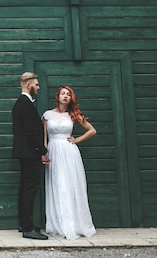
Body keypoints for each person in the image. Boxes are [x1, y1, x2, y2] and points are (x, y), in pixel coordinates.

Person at [42, 85, 96, 240]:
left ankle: (75, 224)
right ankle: (59, 224)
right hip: (53, 151)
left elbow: (92, 130)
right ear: (57, 96)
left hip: (69, 151)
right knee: (58, 186)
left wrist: (76, 140)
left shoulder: (73, 115)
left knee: (71, 186)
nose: (65, 96)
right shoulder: (47, 115)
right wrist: (44, 153)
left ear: (71, 98)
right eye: (62, 94)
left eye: (68, 94)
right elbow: (44, 137)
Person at [12, 72, 50, 240]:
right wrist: (42, 150)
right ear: (29, 85)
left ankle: (23, 223)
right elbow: (31, 132)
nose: (38, 87)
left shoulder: (21, 103)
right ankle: (28, 228)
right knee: (29, 189)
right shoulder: (25, 104)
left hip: (24, 153)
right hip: (29, 153)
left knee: (24, 187)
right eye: (36, 84)